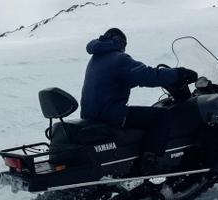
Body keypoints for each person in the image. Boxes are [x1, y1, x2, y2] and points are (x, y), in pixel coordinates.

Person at [80, 28, 197, 161]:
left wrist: (133, 81)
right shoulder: (118, 58)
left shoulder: (97, 57)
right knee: (161, 115)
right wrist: (179, 73)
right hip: (110, 114)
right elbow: (147, 75)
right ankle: (150, 161)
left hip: (93, 114)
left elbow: (111, 81)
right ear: (120, 41)